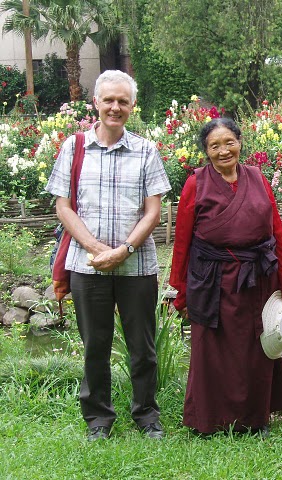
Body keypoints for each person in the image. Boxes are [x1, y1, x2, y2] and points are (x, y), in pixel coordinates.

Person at [46, 70, 171, 441]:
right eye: (109, 100)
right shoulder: (74, 148)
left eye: (123, 101)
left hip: (138, 266)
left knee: (143, 347)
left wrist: (124, 250)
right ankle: (98, 418)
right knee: (95, 346)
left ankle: (147, 415)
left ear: (133, 106)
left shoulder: (146, 150)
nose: (115, 107)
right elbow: (63, 207)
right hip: (87, 266)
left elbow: (153, 212)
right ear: (96, 103)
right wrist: (96, 248)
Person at [169, 118, 282, 436]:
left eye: (229, 142)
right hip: (212, 280)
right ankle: (210, 420)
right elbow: (182, 242)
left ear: (240, 142)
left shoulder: (257, 178)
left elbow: (276, 231)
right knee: (212, 351)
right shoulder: (196, 184)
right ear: (206, 151)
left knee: (255, 350)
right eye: (215, 146)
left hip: (258, 278)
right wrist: (181, 291)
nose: (224, 151)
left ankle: (256, 418)